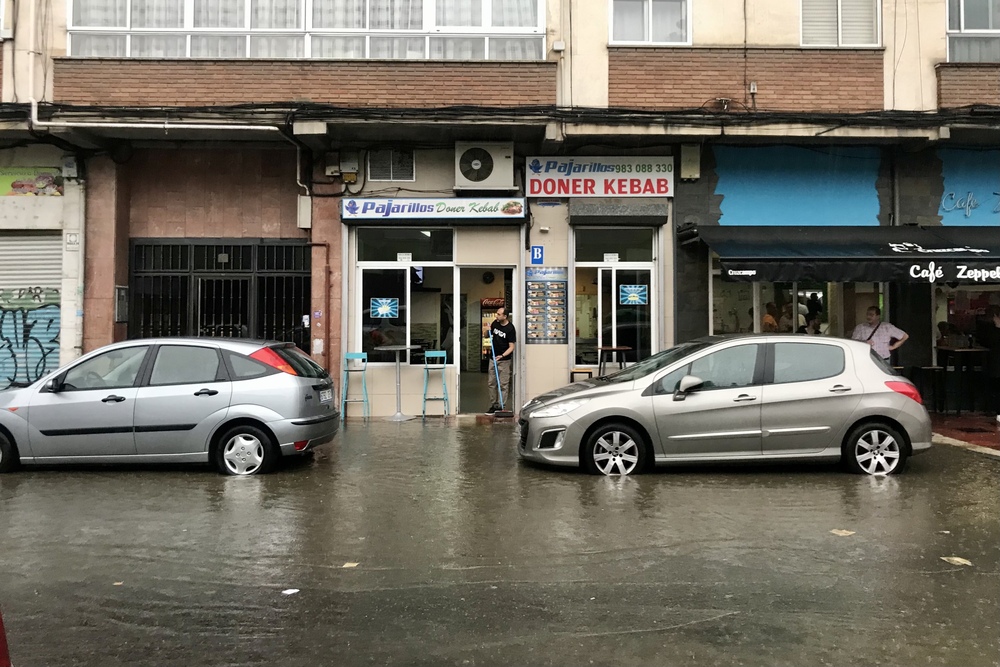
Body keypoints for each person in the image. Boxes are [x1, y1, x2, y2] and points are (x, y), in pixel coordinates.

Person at [487, 306, 516, 414]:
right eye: (497, 314)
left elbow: (512, 347)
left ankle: (501, 405)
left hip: (504, 360)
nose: (496, 316)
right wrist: (487, 331)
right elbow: (488, 335)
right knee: (491, 383)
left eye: (499, 314)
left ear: (505, 316)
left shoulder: (510, 329)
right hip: (492, 358)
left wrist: (502, 356)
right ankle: (494, 405)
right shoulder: (495, 323)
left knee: (503, 384)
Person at [979, 306, 1000, 423]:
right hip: (995, 366)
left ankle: (998, 412)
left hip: (995, 366)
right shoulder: (991, 331)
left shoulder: (992, 331)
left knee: (996, 390)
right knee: (996, 389)